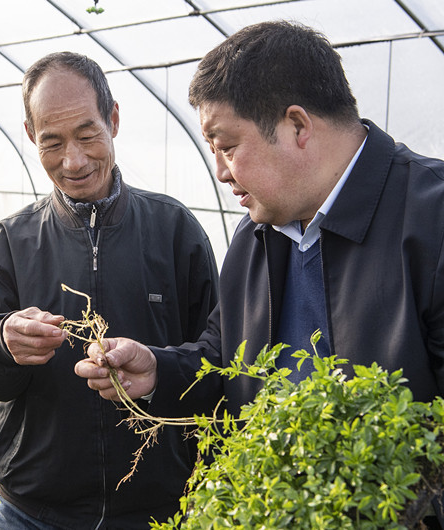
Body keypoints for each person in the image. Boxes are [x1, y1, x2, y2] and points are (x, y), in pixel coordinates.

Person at [76, 19, 444, 479]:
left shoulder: (431, 221)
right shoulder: (258, 234)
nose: (220, 172)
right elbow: (225, 352)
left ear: (296, 125)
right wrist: (158, 371)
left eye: (227, 146)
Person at [0, 51, 219, 529]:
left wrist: (159, 371)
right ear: (31, 135)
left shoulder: (174, 231)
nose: (73, 161)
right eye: (51, 142)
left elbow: (219, 360)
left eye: (87, 134)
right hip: (31, 514)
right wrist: (1, 343)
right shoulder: (11, 242)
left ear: (112, 119)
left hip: (154, 514)